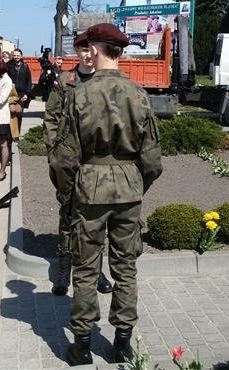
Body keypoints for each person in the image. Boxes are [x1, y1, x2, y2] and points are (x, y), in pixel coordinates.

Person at [48, 23, 163, 365]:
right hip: (128, 191)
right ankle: (122, 344)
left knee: (85, 268)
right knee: (125, 268)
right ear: (119, 52)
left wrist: (68, 194)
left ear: (95, 51)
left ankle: (81, 346)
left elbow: (64, 158)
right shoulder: (139, 94)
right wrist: (134, 182)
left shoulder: (79, 94)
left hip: (89, 190)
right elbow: (153, 159)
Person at [44, 33, 113, 298]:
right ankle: (64, 271)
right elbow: (51, 117)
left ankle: (96, 270)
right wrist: (53, 150)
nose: (86, 55)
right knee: (68, 212)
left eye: (90, 50)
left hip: (96, 161)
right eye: (81, 50)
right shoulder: (65, 81)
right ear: (76, 51)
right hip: (68, 160)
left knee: (96, 216)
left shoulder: (105, 81)